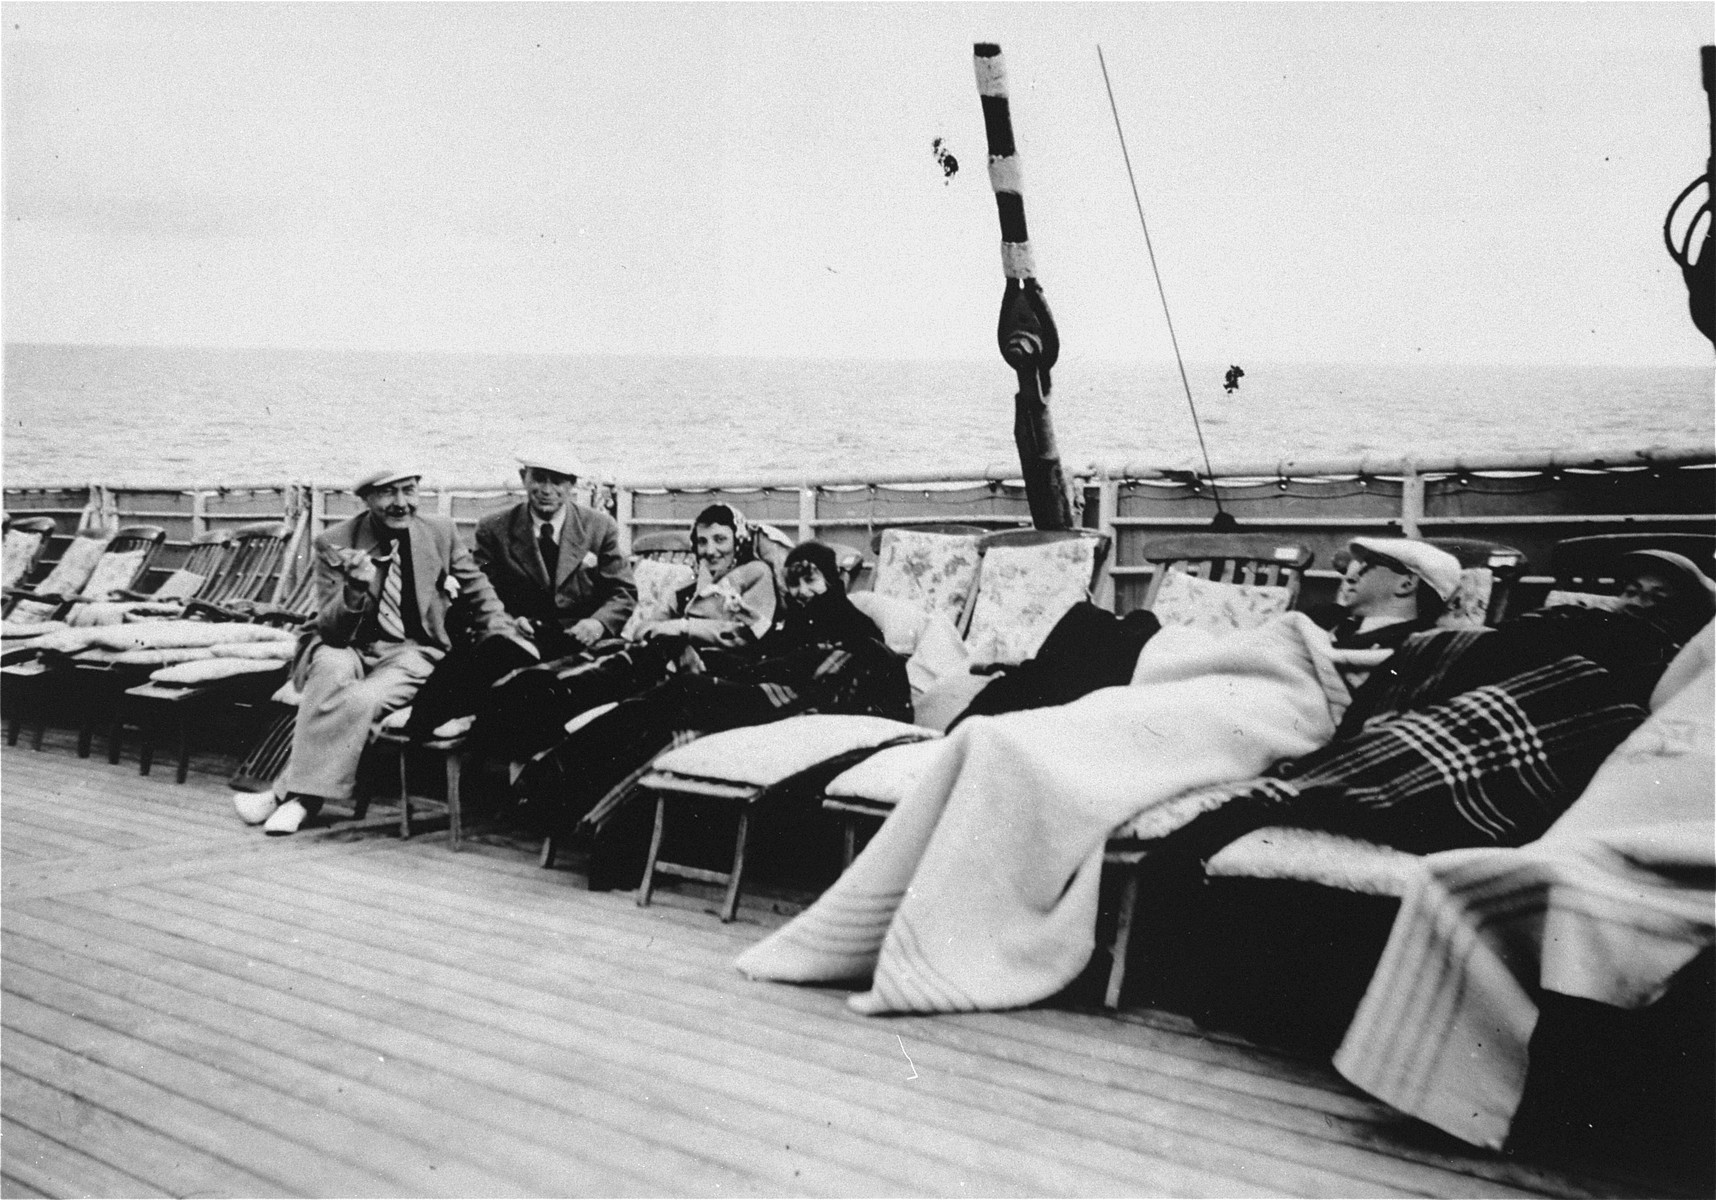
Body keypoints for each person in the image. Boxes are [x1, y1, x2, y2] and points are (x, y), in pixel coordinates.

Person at [531, 539, 909, 888]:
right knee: (667, 712)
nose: (801, 592)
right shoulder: (795, 626)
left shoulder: (857, 628)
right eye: (793, 584)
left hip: (797, 706)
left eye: (810, 580)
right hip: (775, 694)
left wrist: (737, 676)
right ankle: (574, 794)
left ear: (833, 579)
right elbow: (772, 657)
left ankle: (562, 781)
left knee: (681, 693)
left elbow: (824, 677)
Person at [232, 467, 518, 835]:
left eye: (409, 491)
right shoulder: (335, 541)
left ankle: (294, 798)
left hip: (411, 649)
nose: (401, 503)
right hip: (348, 643)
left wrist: (502, 632)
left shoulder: (440, 532)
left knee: (362, 698)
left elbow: (478, 589)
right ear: (366, 499)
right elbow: (332, 631)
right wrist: (354, 588)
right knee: (330, 671)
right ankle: (296, 797)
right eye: (388, 493)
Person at [473, 502, 779, 762]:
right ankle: (516, 700)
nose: (710, 550)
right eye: (702, 542)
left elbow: (749, 632)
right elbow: (650, 623)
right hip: (656, 651)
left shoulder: (756, 574)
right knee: (587, 660)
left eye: (720, 540)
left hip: (702, 667)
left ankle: (523, 715)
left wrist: (682, 627)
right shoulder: (689, 584)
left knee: (590, 679)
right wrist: (661, 629)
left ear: (738, 539)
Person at [474, 450, 636, 659]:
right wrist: (506, 622)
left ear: (572, 485)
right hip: (518, 640)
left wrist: (598, 623)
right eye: (539, 479)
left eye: (557, 482)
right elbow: (480, 594)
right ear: (524, 478)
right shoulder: (494, 528)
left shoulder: (599, 527)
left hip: (582, 640)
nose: (547, 490)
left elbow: (623, 592)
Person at [1324, 537, 1463, 652]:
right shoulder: (1339, 625)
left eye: (1367, 567)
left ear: (1406, 584)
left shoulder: (1411, 646)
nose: (1352, 577)